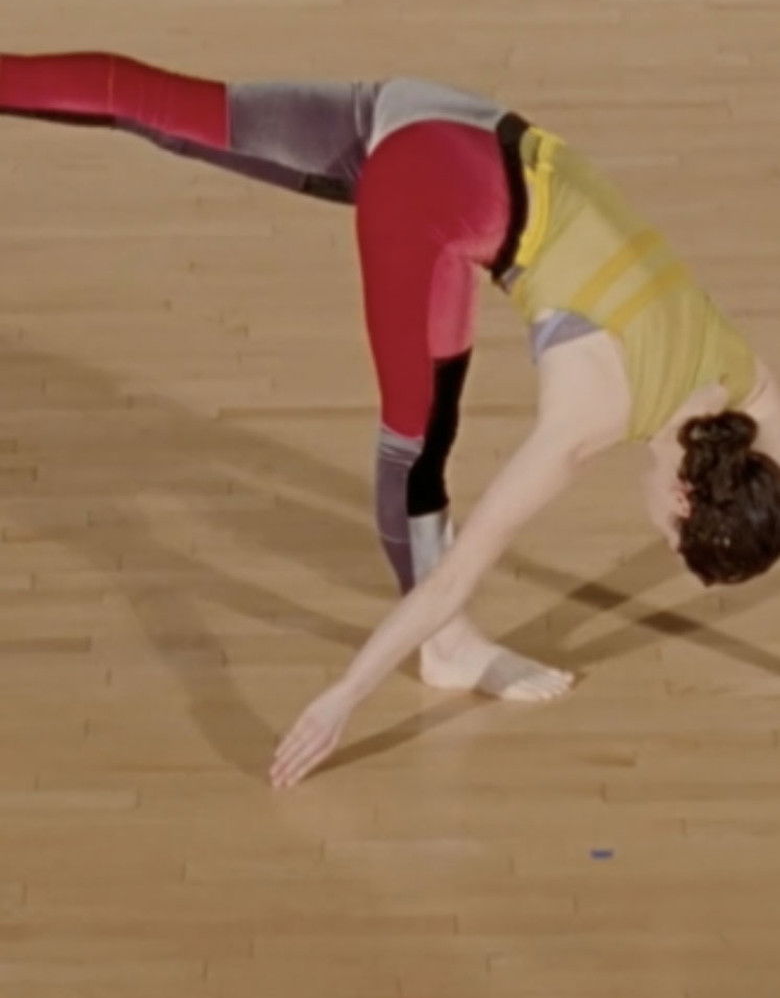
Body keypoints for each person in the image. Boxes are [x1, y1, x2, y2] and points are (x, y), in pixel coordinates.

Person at [2, 53, 780, 789]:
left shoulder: (744, 379)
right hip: (429, 203)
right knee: (415, 451)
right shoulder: (590, 416)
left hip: (451, 119)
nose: (657, 537)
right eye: (670, 539)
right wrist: (343, 696)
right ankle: (449, 653)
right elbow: (455, 576)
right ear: (685, 500)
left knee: (164, 110)